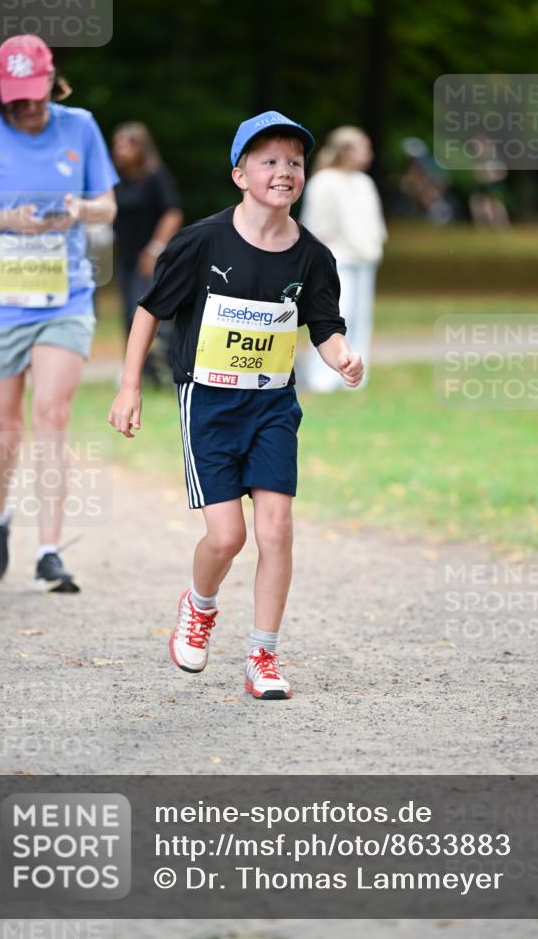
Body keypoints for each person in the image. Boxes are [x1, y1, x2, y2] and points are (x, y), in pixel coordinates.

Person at [108, 110, 363, 699]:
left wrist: (343, 356)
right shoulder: (201, 241)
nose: (284, 172)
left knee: (277, 529)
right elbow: (150, 310)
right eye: (269, 161)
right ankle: (198, 607)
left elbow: (324, 324)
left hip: (272, 405)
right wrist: (128, 387)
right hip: (209, 404)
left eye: (294, 162)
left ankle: (263, 657)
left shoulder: (313, 256)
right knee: (227, 538)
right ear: (239, 174)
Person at [0, 34, 118, 592]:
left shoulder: (80, 126)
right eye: (16, 97)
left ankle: (50, 549)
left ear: (54, 84)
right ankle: (0, 515)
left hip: (65, 297)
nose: (27, 106)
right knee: (6, 429)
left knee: (52, 415)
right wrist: (10, 219)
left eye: (36, 94)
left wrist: (80, 207)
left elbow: (107, 203)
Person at [299, 126, 387, 391]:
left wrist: (374, 247)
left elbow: (374, 224)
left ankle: (356, 376)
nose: (368, 155)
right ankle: (322, 377)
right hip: (338, 261)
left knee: (361, 318)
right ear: (345, 150)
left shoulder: (364, 182)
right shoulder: (324, 181)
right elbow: (316, 226)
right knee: (336, 317)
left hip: (364, 259)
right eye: (363, 148)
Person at [111, 123, 183, 382]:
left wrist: (155, 249)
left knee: (145, 310)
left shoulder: (155, 176)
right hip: (125, 257)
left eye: (128, 143)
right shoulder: (116, 180)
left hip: (151, 257)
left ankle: (164, 369)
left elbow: (172, 212)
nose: (121, 149)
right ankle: (138, 372)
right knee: (127, 314)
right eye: (118, 143)